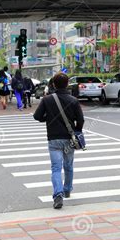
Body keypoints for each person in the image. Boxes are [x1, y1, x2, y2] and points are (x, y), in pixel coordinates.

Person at [33, 73, 84, 209]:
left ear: (53, 84)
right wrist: (77, 131)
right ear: (67, 84)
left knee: (56, 168)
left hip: (54, 139)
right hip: (69, 139)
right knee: (68, 166)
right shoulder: (73, 100)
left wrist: (48, 118)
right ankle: (67, 190)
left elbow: (37, 116)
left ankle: (58, 195)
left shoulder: (47, 100)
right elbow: (81, 120)